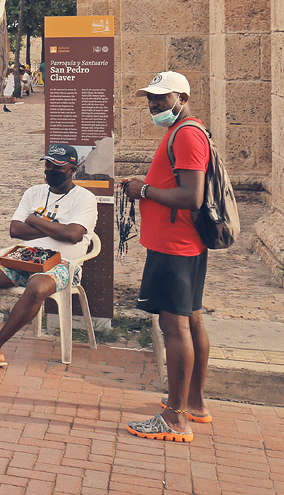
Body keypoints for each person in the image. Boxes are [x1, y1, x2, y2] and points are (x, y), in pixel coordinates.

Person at [120, 71, 210, 443]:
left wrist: (144, 190)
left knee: (175, 328)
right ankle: (194, 403)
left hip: (175, 245)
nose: (154, 104)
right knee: (190, 320)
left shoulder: (187, 133)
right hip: (179, 244)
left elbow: (192, 196)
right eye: (150, 99)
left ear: (182, 98)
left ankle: (175, 418)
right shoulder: (184, 131)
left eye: (161, 97)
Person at [0, 144, 97, 370]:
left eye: (58, 165)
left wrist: (35, 220)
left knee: (37, 287)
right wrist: (56, 228)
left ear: (73, 168)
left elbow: (73, 234)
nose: (51, 169)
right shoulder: (33, 192)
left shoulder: (85, 198)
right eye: (48, 164)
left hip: (63, 263)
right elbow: (15, 230)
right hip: (26, 256)